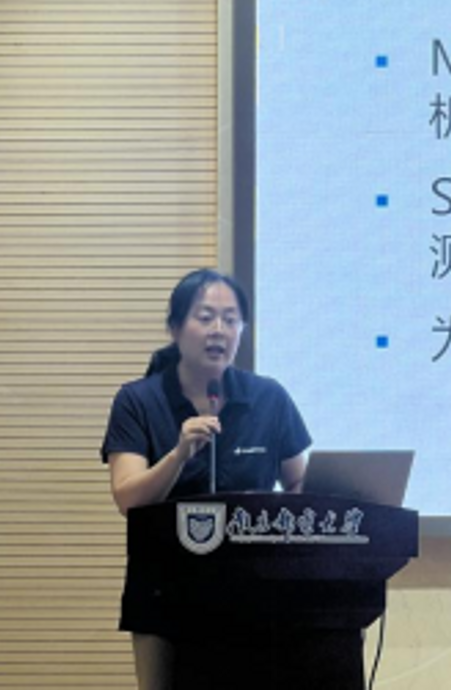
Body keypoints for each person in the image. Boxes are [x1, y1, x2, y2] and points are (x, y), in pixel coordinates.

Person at [101, 269, 312, 690]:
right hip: (164, 596)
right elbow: (128, 499)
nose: (219, 330)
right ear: (175, 327)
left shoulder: (268, 398)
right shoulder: (137, 401)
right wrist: (178, 455)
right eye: (206, 317)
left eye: (231, 320)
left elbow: (301, 485)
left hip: (256, 593)